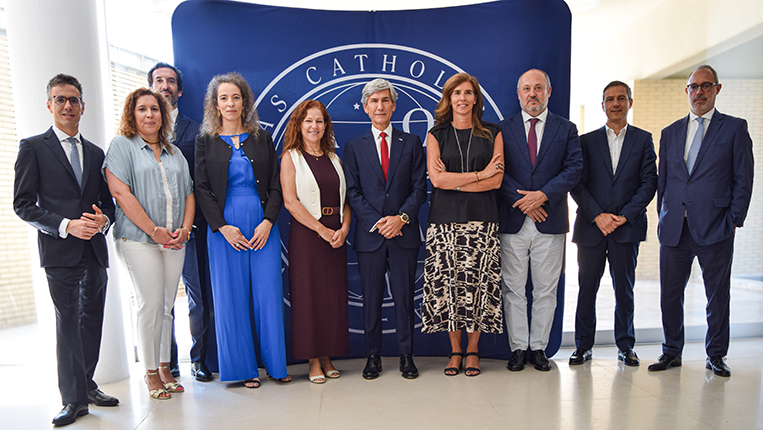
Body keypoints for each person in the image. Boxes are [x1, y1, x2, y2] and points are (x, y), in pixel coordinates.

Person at [13, 73, 118, 426]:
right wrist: (65, 225)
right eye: (60, 99)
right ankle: (72, 400)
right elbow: (23, 205)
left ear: (83, 107)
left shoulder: (96, 152)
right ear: (49, 105)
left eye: (73, 100)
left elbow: (108, 203)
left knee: (92, 320)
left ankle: (86, 385)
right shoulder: (33, 147)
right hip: (59, 251)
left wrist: (104, 219)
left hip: (94, 250)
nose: (67, 105)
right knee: (68, 322)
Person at [649, 65, 754, 377]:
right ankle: (671, 351)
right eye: (693, 87)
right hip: (674, 229)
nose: (699, 92)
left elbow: (743, 178)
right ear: (687, 91)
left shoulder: (734, 128)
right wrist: (664, 215)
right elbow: (664, 181)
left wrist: (734, 219)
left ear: (717, 89)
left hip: (716, 227)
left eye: (706, 86)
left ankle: (716, 355)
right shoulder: (670, 133)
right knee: (670, 296)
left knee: (717, 297)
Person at [195, 72, 290, 388]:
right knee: (230, 298)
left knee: (269, 295)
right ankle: (243, 369)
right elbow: (201, 188)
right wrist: (222, 227)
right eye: (223, 98)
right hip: (224, 230)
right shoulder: (205, 141)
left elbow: (276, 185)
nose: (230, 103)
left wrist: (268, 221)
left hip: (262, 224)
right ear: (215, 105)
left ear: (245, 102)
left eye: (235, 97)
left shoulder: (262, 138)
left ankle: (275, 366)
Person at [103, 87, 194, 400]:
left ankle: (165, 367)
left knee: (167, 306)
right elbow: (120, 193)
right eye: (142, 109)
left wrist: (185, 229)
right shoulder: (122, 145)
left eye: (155, 109)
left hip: (174, 240)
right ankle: (151, 372)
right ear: (132, 114)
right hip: (138, 239)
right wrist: (154, 230)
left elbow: (189, 193)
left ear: (163, 114)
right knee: (150, 305)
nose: (149, 114)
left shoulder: (174, 152)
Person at [343, 79, 428, 380]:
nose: (380, 106)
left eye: (385, 100)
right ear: (365, 107)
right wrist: (379, 222)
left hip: (404, 234)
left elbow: (419, 188)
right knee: (371, 299)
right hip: (371, 236)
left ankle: (406, 356)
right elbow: (352, 192)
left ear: (393, 105)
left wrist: (400, 218)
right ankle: (373, 356)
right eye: (374, 101)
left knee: (404, 298)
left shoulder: (412, 142)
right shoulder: (354, 147)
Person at [498, 68, 582, 372]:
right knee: (513, 288)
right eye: (526, 88)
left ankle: (539, 348)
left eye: (538, 88)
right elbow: (497, 170)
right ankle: (518, 348)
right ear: (518, 93)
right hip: (513, 219)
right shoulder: (502, 129)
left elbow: (574, 169)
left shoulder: (566, 129)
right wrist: (525, 202)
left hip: (550, 218)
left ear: (549, 91)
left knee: (546, 289)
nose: (532, 94)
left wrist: (542, 196)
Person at [422, 73, 505, 377]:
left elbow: (496, 181)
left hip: (483, 220)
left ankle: (473, 351)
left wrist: (456, 181)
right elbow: (437, 180)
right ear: (449, 98)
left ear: (475, 99)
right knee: (449, 287)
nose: (462, 98)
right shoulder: (436, 135)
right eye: (456, 93)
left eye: (468, 93)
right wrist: (479, 175)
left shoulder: (493, 133)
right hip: (444, 222)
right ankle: (455, 351)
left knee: (477, 286)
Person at [569, 81, 657, 366]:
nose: (615, 103)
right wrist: (598, 215)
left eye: (621, 98)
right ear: (603, 105)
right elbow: (577, 184)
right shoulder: (586, 141)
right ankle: (583, 346)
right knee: (587, 289)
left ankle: (626, 346)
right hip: (591, 227)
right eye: (610, 99)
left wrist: (624, 216)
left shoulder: (643, 140)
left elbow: (649, 183)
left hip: (626, 227)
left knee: (624, 290)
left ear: (630, 102)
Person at [148, 62, 216, 381]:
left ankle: (198, 360)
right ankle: (168, 362)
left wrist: (190, 224)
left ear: (180, 90)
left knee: (197, 297)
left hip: (192, 228)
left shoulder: (197, 131)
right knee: (161, 300)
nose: (165, 86)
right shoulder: (137, 135)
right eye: (159, 81)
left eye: (171, 81)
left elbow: (203, 181)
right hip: (153, 231)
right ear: (151, 88)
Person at [281, 100, 351, 383]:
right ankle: (312, 360)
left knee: (331, 298)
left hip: (335, 236)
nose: (314, 126)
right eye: (308, 121)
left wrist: (344, 228)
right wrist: (321, 230)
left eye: (319, 121)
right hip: (308, 236)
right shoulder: (291, 158)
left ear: (326, 126)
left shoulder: (335, 159)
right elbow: (290, 202)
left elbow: (346, 200)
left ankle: (327, 356)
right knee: (308, 297)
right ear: (299, 125)